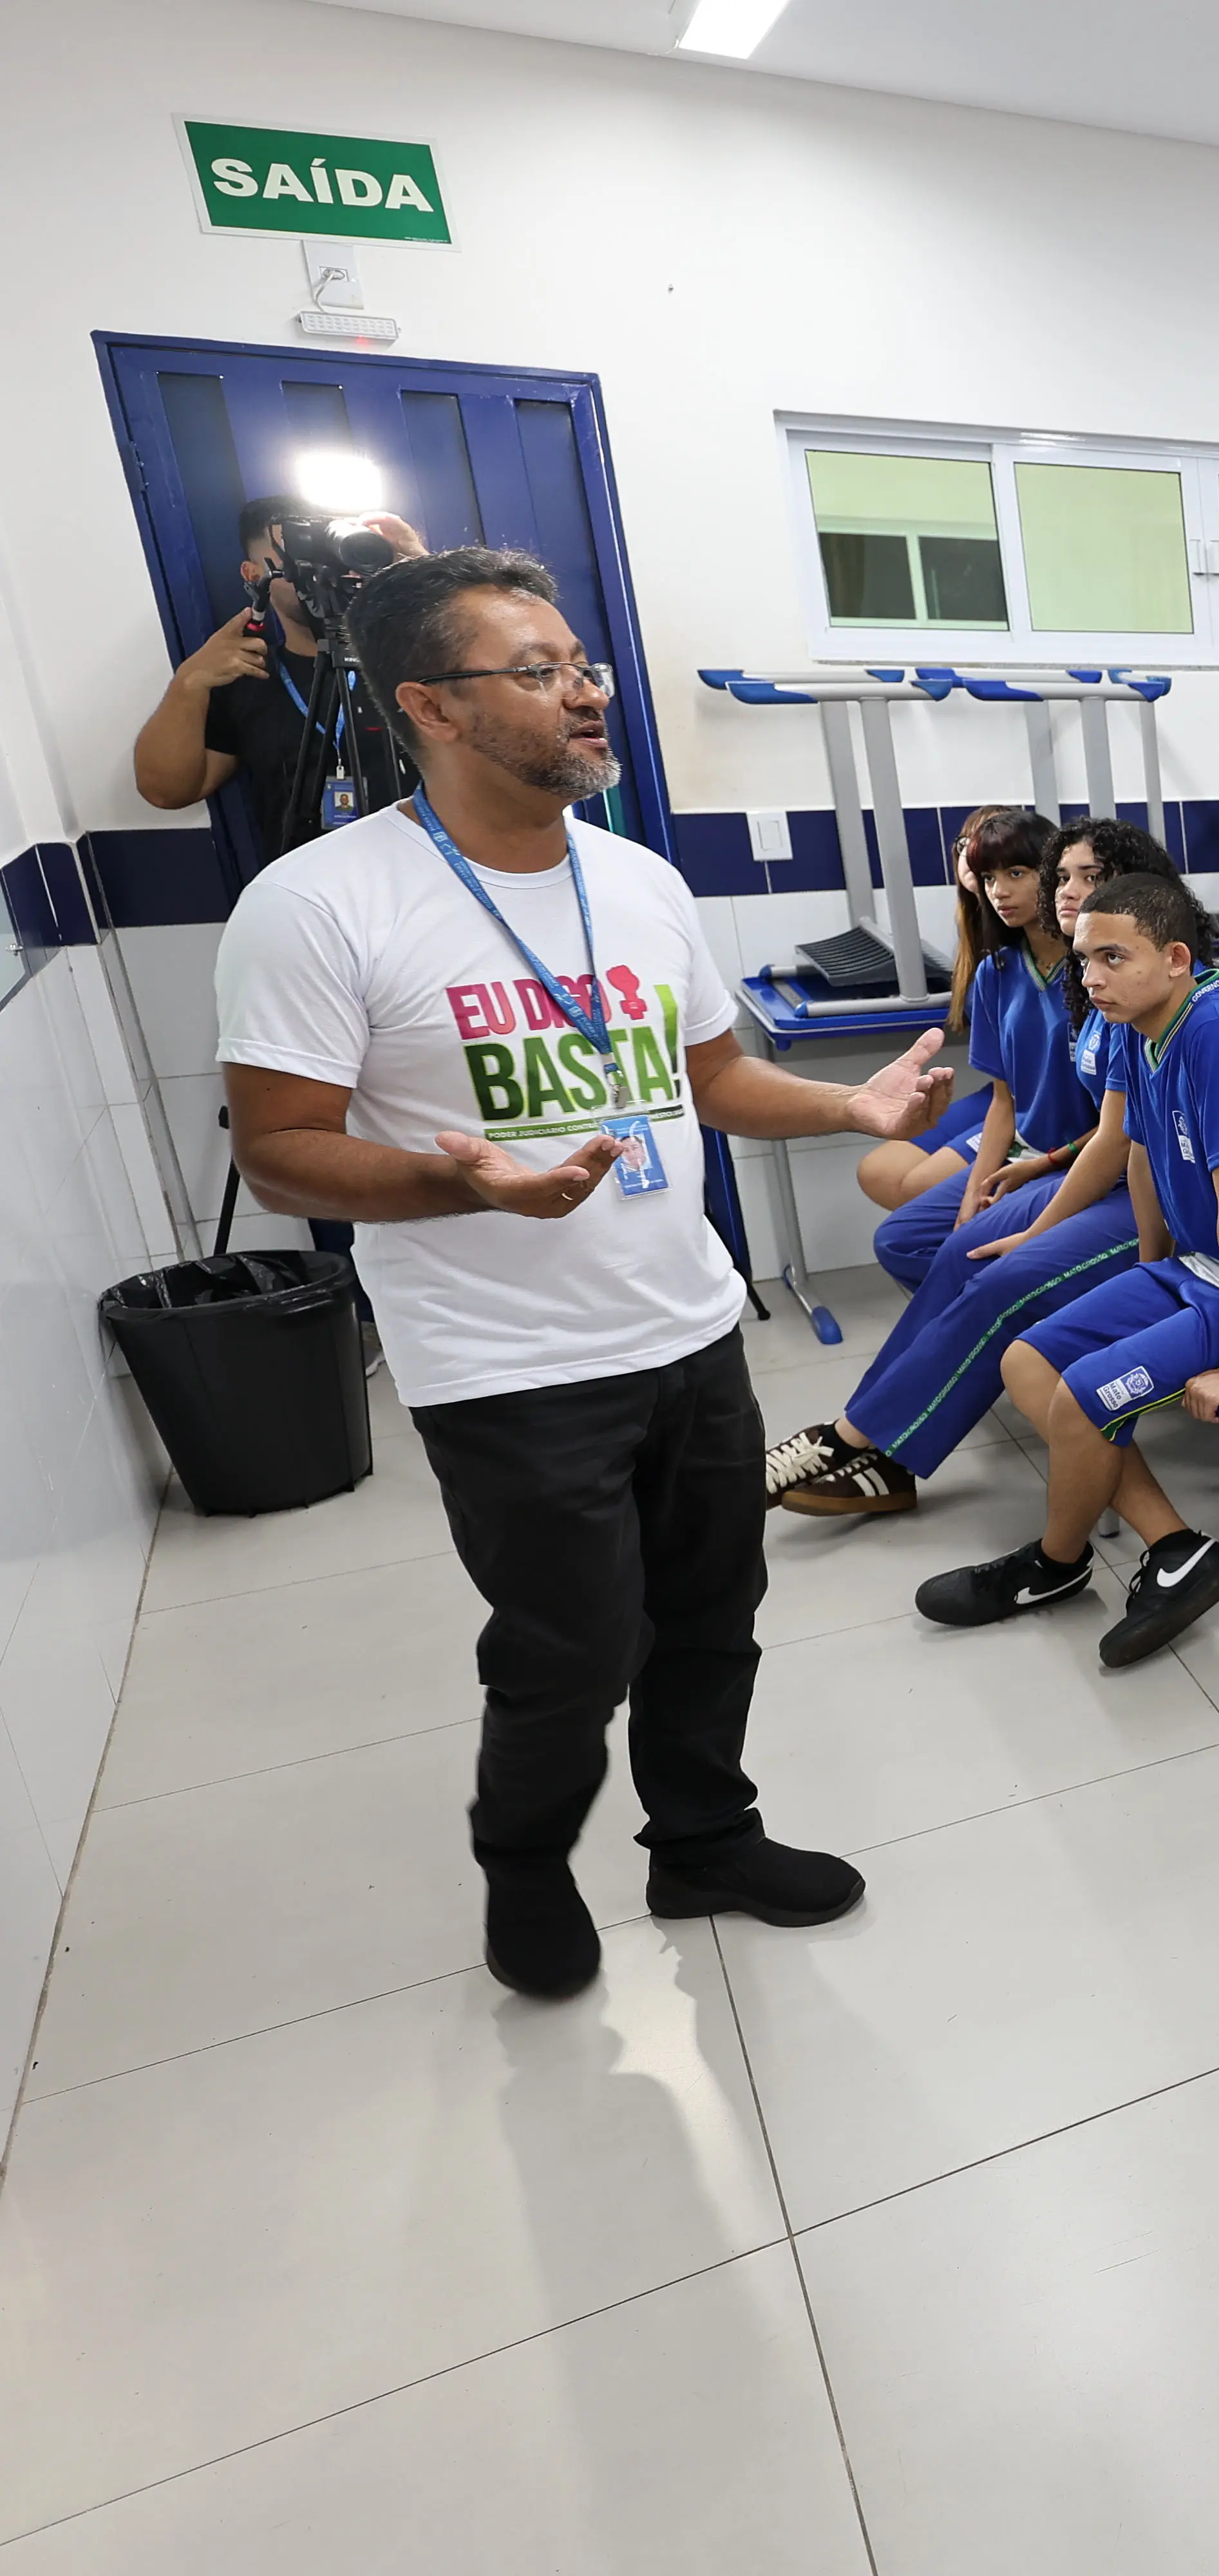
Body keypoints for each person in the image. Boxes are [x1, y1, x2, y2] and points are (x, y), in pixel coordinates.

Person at [214, 546, 949, 1998]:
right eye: (538, 671)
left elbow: (711, 1079)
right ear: (429, 705)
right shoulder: (320, 904)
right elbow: (279, 1153)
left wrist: (847, 1107)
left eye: (583, 664)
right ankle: (527, 1869)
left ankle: (704, 1839)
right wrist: (454, 1179)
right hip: (507, 1361)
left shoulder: (640, 880)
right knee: (571, 1649)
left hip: (688, 1326)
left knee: (713, 1617)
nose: (584, 693)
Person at [915, 868, 1219, 1666]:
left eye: (1113, 958)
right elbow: (1143, 1156)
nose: (1092, 977)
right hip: (1199, 1268)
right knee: (1027, 1361)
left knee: (1085, 1397)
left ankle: (1054, 1564)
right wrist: (1152, 1275)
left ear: (1176, 958)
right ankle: (1177, 1549)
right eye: (1086, 958)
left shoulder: (1218, 1035)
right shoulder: (1136, 1024)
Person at [762, 819, 1196, 1517]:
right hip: (1086, 1168)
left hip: (1148, 1195)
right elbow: (1074, 1121)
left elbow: (1129, 1146)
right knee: (956, 1249)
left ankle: (861, 1441)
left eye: (1087, 878)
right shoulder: (1092, 988)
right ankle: (884, 1430)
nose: (1066, 892)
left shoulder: (1164, 1001)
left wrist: (1046, 1221)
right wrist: (1030, 1178)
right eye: (1062, 877)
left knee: (1003, 1278)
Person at [133, 493, 426, 862]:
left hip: (432, 873)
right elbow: (167, 792)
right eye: (300, 553)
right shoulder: (244, 675)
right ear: (254, 574)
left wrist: (424, 574)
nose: (322, 570)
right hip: (309, 884)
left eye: (331, 552)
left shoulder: (422, 662)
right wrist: (188, 683)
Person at [855, 806, 1078, 1287]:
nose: (999, 891)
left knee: (973, 1258)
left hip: (1078, 1159)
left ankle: (1005, 1312)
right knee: (900, 1241)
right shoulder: (996, 973)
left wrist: (1041, 1166)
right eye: (989, 878)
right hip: (1025, 1150)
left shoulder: (1095, 966)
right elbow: (1003, 1101)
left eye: (1015, 873)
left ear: (1054, 874)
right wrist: (973, 1194)